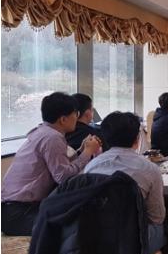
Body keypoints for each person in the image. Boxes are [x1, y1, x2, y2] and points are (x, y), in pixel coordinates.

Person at [1, 92, 102, 236]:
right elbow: (63, 177)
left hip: (15, 209)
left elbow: (62, 168)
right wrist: (87, 153)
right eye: (75, 114)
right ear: (63, 119)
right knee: (77, 226)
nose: (77, 117)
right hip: (19, 213)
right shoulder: (52, 138)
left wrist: (81, 151)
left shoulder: (44, 131)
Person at [84, 112, 166, 254]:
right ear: (137, 138)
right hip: (134, 241)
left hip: (96, 237)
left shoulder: (90, 167)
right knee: (163, 227)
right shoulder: (150, 169)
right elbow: (157, 217)